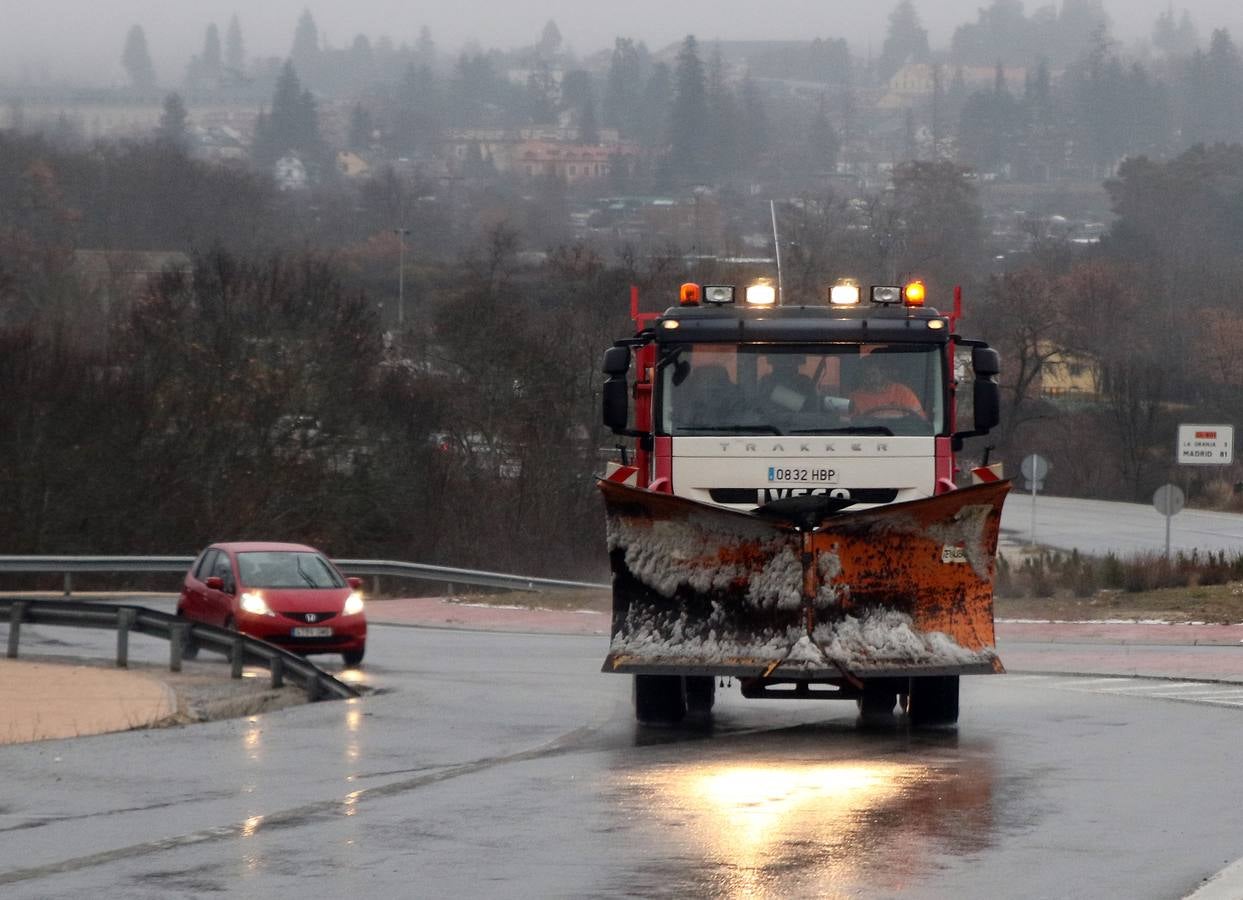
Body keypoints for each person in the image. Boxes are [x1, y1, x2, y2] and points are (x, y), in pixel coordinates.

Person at [849, 354, 925, 418]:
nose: (871, 379)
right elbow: (849, 423)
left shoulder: (903, 392)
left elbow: (920, 419)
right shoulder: (855, 397)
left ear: (884, 373)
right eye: (866, 375)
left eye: (873, 374)